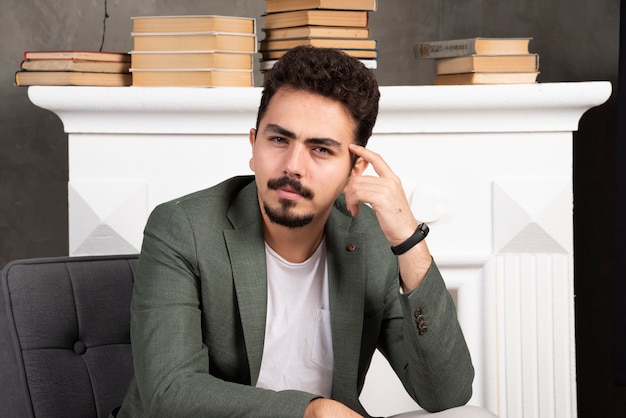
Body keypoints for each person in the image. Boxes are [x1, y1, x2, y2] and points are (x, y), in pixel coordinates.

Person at [113, 45, 487, 418]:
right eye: (278, 140)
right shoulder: (184, 227)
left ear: (355, 168)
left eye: (321, 150)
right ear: (253, 144)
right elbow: (169, 392)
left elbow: (445, 393)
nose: (293, 166)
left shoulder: (370, 239)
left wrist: (409, 241)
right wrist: (310, 412)